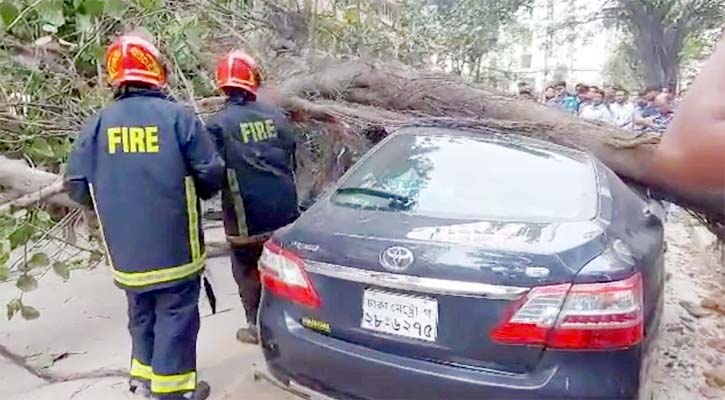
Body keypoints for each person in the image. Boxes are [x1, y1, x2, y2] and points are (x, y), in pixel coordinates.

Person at [64, 33, 224, 400]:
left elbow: (75, 184)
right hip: (176, 249)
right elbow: (211, 173)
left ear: (114, 76)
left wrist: (116, 203)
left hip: (126, 255)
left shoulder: (97, 124)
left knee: (141, 311)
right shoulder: (177, 118)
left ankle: (142, 379)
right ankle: (172, 392)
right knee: (176, 316)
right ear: (157, 71)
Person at [206, 50, 300, 344]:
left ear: (221, 85)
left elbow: (210, 172)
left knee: (247, 269)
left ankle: (256, 325)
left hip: (245, 216)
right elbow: (291, 155)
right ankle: (293, 321)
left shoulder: (217, 124)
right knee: (285, 266)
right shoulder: (276, 115)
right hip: (284, 210)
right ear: (254, 80)